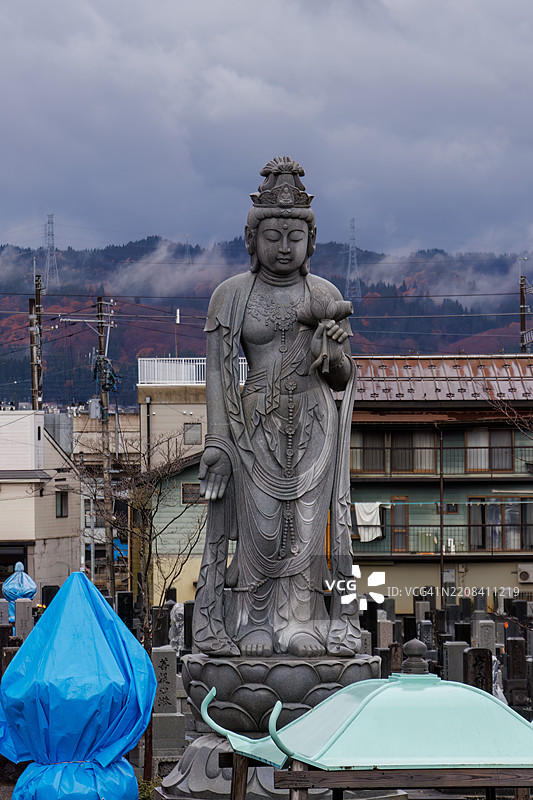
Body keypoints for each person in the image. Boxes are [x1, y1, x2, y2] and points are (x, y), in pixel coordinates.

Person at [192, 157, 360, 658]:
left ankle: (305, 619)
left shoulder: (325, 294)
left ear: (311, 241)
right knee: (259, 528)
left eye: (294, 236)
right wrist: (217, 442)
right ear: (252, 239)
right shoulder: (231, 296)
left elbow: (341, 377)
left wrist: (332, 353)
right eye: (273, 236)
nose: (284, 247)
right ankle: (251, 621)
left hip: (314, 424)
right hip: (253, 428)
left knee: (306, 527)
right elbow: (218, 372)